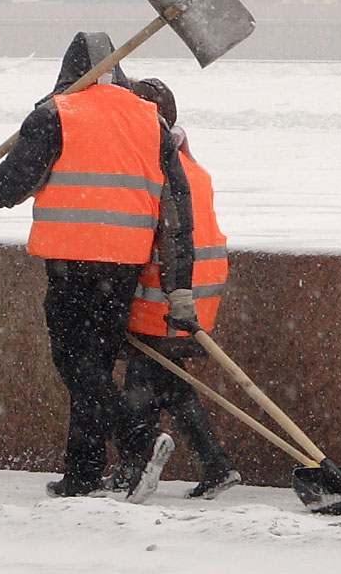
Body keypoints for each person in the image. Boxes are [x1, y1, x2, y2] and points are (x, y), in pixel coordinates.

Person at [0, 31, 199, 502]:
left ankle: (137, 443)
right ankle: (83, 471)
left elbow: (12, 185)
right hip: (124, 266)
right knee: (94, 365)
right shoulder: (150, 120)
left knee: (75, 364)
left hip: (73, 263)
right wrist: (180, 287)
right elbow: (176, 210)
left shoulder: (56, 114)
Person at [112, 99, 241, 500]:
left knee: (144, 382)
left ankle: (136, 467)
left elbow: (152, 238)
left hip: (163, 295)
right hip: (200, 291)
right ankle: (214, 465)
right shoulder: (194, 168)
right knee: (167, 380)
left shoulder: (157, 171)